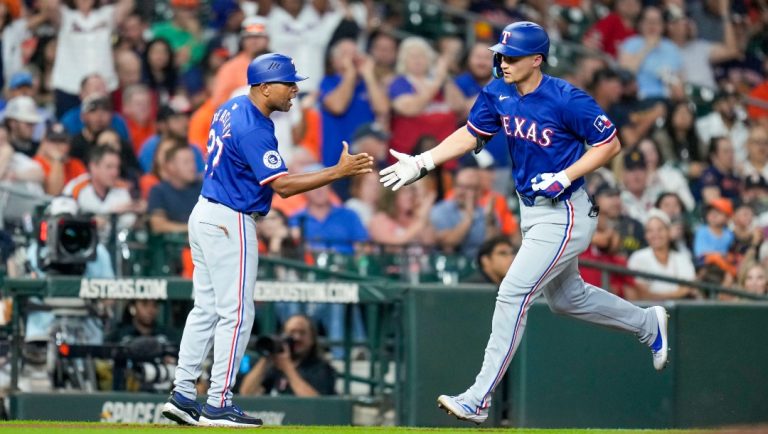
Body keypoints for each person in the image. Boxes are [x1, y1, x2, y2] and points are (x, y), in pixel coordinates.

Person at [378, 22, 669, 424]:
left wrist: (566, 176)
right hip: (532, 211)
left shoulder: (566, 97)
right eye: (501, 54)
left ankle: (479, 398)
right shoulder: (498, 90)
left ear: (537, 59)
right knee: (568, 300)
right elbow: (471, 132)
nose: (503, 62)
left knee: (512, 293)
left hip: (565, 210)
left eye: (512, 57)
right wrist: (425, 161)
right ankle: (646, 323)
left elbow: (610, 143)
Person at [161, 53, 372, 428]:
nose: (294, 90)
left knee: (207, 309)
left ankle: (181, 393)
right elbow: (285, 187)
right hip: (230, 218)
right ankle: (218, 403)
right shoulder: (254, 126)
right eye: (288, 83)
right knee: (237, 313)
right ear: (264, 86)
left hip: (206, 211)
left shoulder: (232, 105)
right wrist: (338, 172)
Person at [239, 314, 336, 397]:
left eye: (302, 333)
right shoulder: (273, 367)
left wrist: (288, 368)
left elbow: (316, 404)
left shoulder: (321, 368)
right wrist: (266, 358)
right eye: (292, 332)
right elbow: (246, 393)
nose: (296, 338)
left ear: (312, 339)